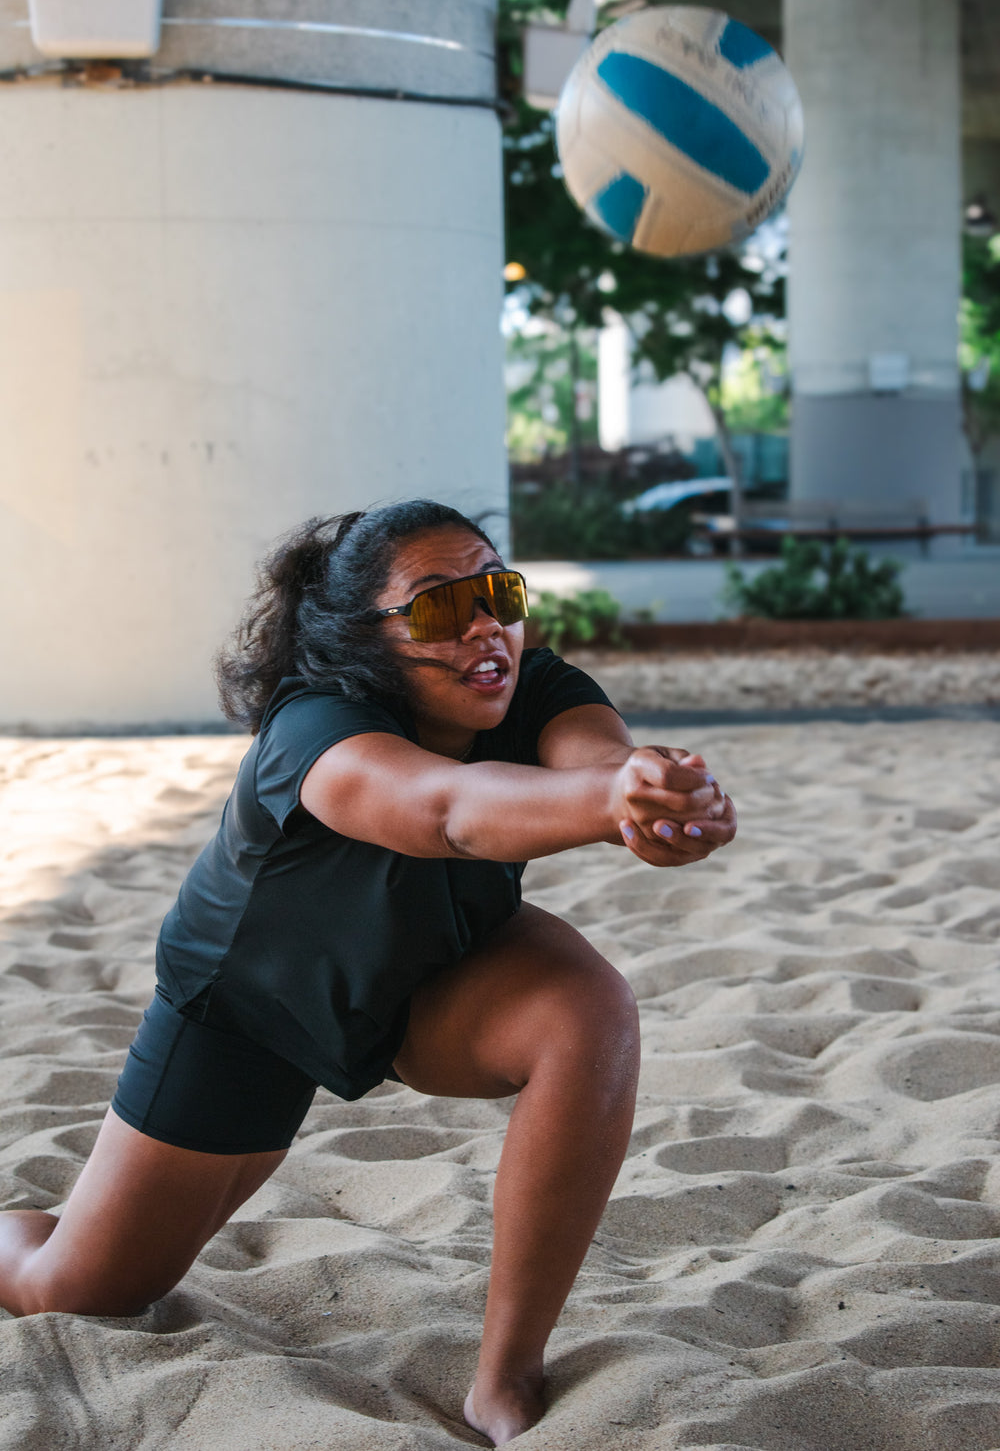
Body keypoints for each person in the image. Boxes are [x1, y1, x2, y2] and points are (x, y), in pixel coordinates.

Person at [0, 499, 736, 1446]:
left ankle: (502, 1381)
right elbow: (445, 812)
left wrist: (654, 799)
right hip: (250, 1009)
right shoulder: (316, 732)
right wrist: (611, 798)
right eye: (436, 607)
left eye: (498, 592)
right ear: (367, 638)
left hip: (430, 973)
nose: (485, 627)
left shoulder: (532, 683)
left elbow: (595, 761)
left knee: (588, 1013)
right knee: (80, 1286)